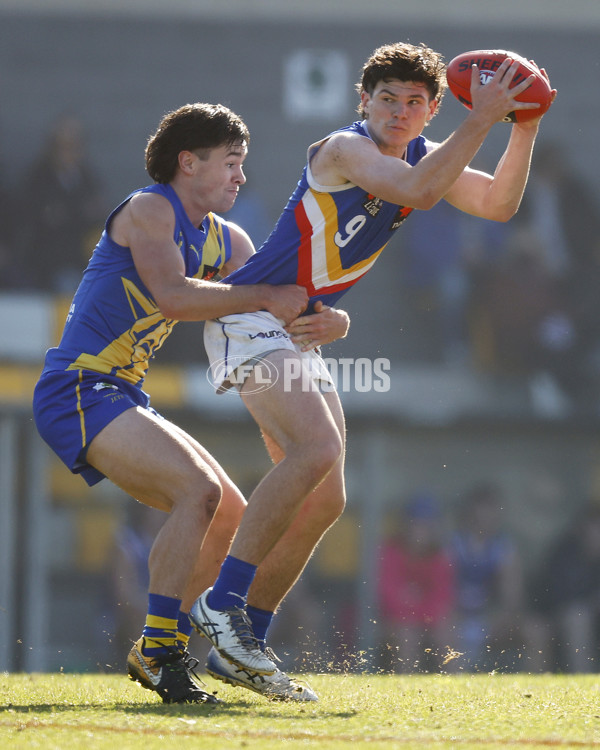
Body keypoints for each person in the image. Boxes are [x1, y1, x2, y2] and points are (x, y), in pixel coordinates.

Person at [189, 42, 556, 687]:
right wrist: (483, 119)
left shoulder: (422, 154)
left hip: (297, 332)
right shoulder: (344, 149)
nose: (399, 110)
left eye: (415, 101)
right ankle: (221, 605)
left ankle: (244, 641)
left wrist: (522, 125)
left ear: (432, 109)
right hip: (251, 315)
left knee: (328, 495)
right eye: (387, 97)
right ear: (364, 101)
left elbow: (498, 204)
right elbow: (418, 188)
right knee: (317, 448)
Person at [32, 103, 348, 704]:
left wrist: (332, 319)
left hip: (120, 392)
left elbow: (273, 311)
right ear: (188, 162)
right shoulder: (150, 208)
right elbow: (175, 298)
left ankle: (162, 644)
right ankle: (160, 651)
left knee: (227, 512)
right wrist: (265, 294)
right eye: (230, 163)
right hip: (77, 387)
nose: (240, 177)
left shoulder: (228, 240)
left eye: (242, 165)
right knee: (197, 495)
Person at [16, 113, 108, 293]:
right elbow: (42, 217)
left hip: (84, 257)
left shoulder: (87, 177)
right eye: (63, 146)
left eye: (74, 146)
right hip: (49, 262)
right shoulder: (39, 178)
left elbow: (97, 211)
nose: (69, 153)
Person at [377, 493, 455, 673]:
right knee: (407, 636)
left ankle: (456, 689)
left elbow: (441, 600)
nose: (420, 530)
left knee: (446, 632)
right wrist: (414, 613)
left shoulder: (440, 557)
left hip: (427, 621)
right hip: (392, 621)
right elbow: (388, 598)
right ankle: (406, 691)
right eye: (415, 524)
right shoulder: (389, 550)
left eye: (426, 525)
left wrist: (416, 611)